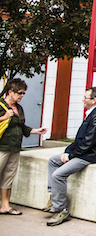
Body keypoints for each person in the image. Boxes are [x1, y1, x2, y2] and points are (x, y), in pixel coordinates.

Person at [45, 87, 96, 226]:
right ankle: (54, 197)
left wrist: (71, 155)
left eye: (85, 97)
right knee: (53, 160)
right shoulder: (91, 114)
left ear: (94, 100)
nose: (83, 100)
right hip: (83, 153)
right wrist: (67, 151)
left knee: (58, 175)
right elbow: (79, 139)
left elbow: (88, 143)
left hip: (90, 156)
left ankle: (60, 209)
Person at [0, 78, 46, 215]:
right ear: (10, 92)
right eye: (19, 93)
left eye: (23, 93)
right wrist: (4, 117)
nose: (22, 96)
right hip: (2, 146)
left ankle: (5, 205)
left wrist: (37, 131)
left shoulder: (19, 108)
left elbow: (22, 127)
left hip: (14, 147)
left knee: (8, 176)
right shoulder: (1, 106)